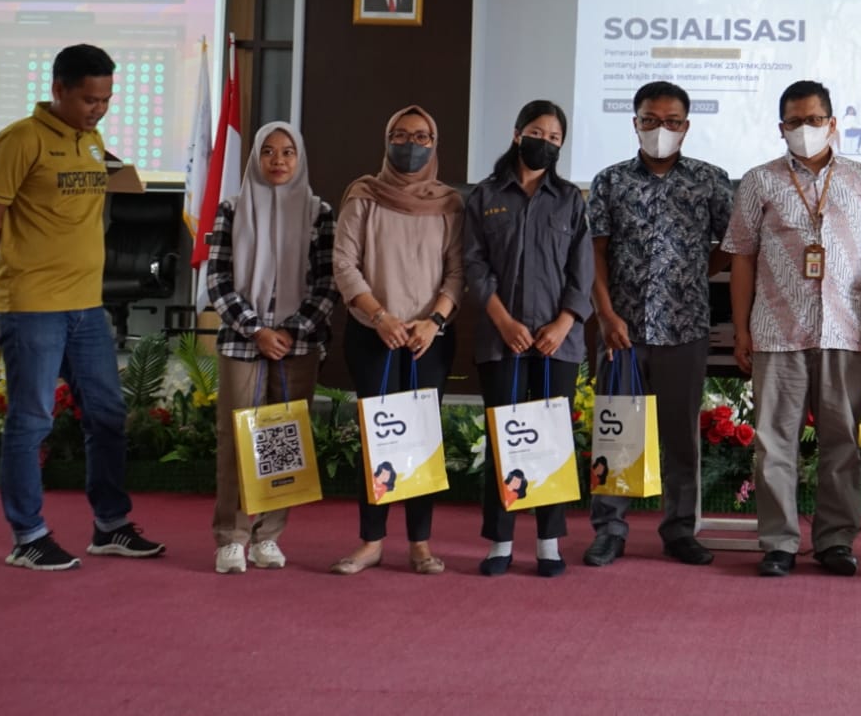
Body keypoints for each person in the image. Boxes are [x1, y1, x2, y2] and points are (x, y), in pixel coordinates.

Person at [0, 43, 167, 569]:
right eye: (88, 99)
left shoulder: (92, 140)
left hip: (87, 307)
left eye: (105, 100)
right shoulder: (19, 140)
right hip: (34, 306)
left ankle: (110, 525)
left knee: (107, 416)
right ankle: (28, 536)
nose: (98, 109)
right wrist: (30, 265)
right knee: (32, 420)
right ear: (58, 89)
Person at [723, 79, 861, 577]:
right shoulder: (759, 180)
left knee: (842, 442)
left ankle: (836, 540)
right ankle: (779, 542)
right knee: (774, 443)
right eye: (795, 121)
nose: (805, 129)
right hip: (777, 330)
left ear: (833, 123)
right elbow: (741, 257)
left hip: (845, 331)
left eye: (815, 120)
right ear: (781, 127)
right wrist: (741, 330)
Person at [582, 81, 733, 568]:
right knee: (617, 431)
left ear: (685, 127)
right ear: (635, 123)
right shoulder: (609, 181)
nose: (660, 129)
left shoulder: (710, 180)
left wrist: (694, 273)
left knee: (681, 436)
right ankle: (610, 529)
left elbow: (734, 243)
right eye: (650, 120)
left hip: (684, 329)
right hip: (621, 331)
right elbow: (594, 254)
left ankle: (680, 530)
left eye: (671, 122)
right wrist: (606, 315)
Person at [329, 106, 464, 576]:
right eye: (401, 135)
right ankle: (371, 541)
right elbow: (344, 263)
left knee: (422, 439)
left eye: (422, 136)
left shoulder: (449, 203)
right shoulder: (364, 195)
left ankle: (420, 543)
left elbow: (458, 270)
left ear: (435, 143)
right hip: (374, 335)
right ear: (387, 140)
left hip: (429, 339)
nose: (411, 145)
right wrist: (380, 316)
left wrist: (434, 321)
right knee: (378, 438)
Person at [465, 99, 593, 577]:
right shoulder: (485, 196)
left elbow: (582, 272)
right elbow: (474, 265)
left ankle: (548, 542)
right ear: (518, 134)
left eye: (555, 138)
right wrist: (503, 321)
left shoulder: (570, 200)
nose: (546, 142)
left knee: (552, 441)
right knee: (505, 439)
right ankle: (500, 541)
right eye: (538, 133)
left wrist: (563, 324)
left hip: (558, 342)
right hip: (501, 338)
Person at [205, 120, 339, 575]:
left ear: (300, 159)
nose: (278, 160)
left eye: (287, 152)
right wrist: (256, 329)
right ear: (255, 159)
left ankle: (268, 536)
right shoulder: (232, 208)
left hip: (298, 343)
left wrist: (293, 330)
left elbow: (328, 282)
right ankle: (232, 537)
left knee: (284, 437)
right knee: (236, 439)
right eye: (268, 152)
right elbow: (218, 280)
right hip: (243, 342)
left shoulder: (319, 212)